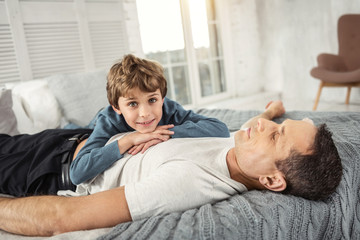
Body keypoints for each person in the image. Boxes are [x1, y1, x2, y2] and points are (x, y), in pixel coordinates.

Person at [0, 101, 342, 237]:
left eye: (277, 136)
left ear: (271, 180)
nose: (266, 129)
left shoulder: (188, 183)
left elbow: (63, 218)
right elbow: (251, 126)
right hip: (81, 138)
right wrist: (271, 113)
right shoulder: (243, 149)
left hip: (50, 166)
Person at [70, 54, 230, 185]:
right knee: (73, 131)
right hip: (91, 125)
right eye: (133, 103)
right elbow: (77, 173)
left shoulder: (169, 109)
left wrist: (166, 133)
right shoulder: (108, 121)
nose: (145, 113)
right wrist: (128, 140)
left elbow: (220, 128)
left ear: (162, 98)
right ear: (116, 107)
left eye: (152, 100)